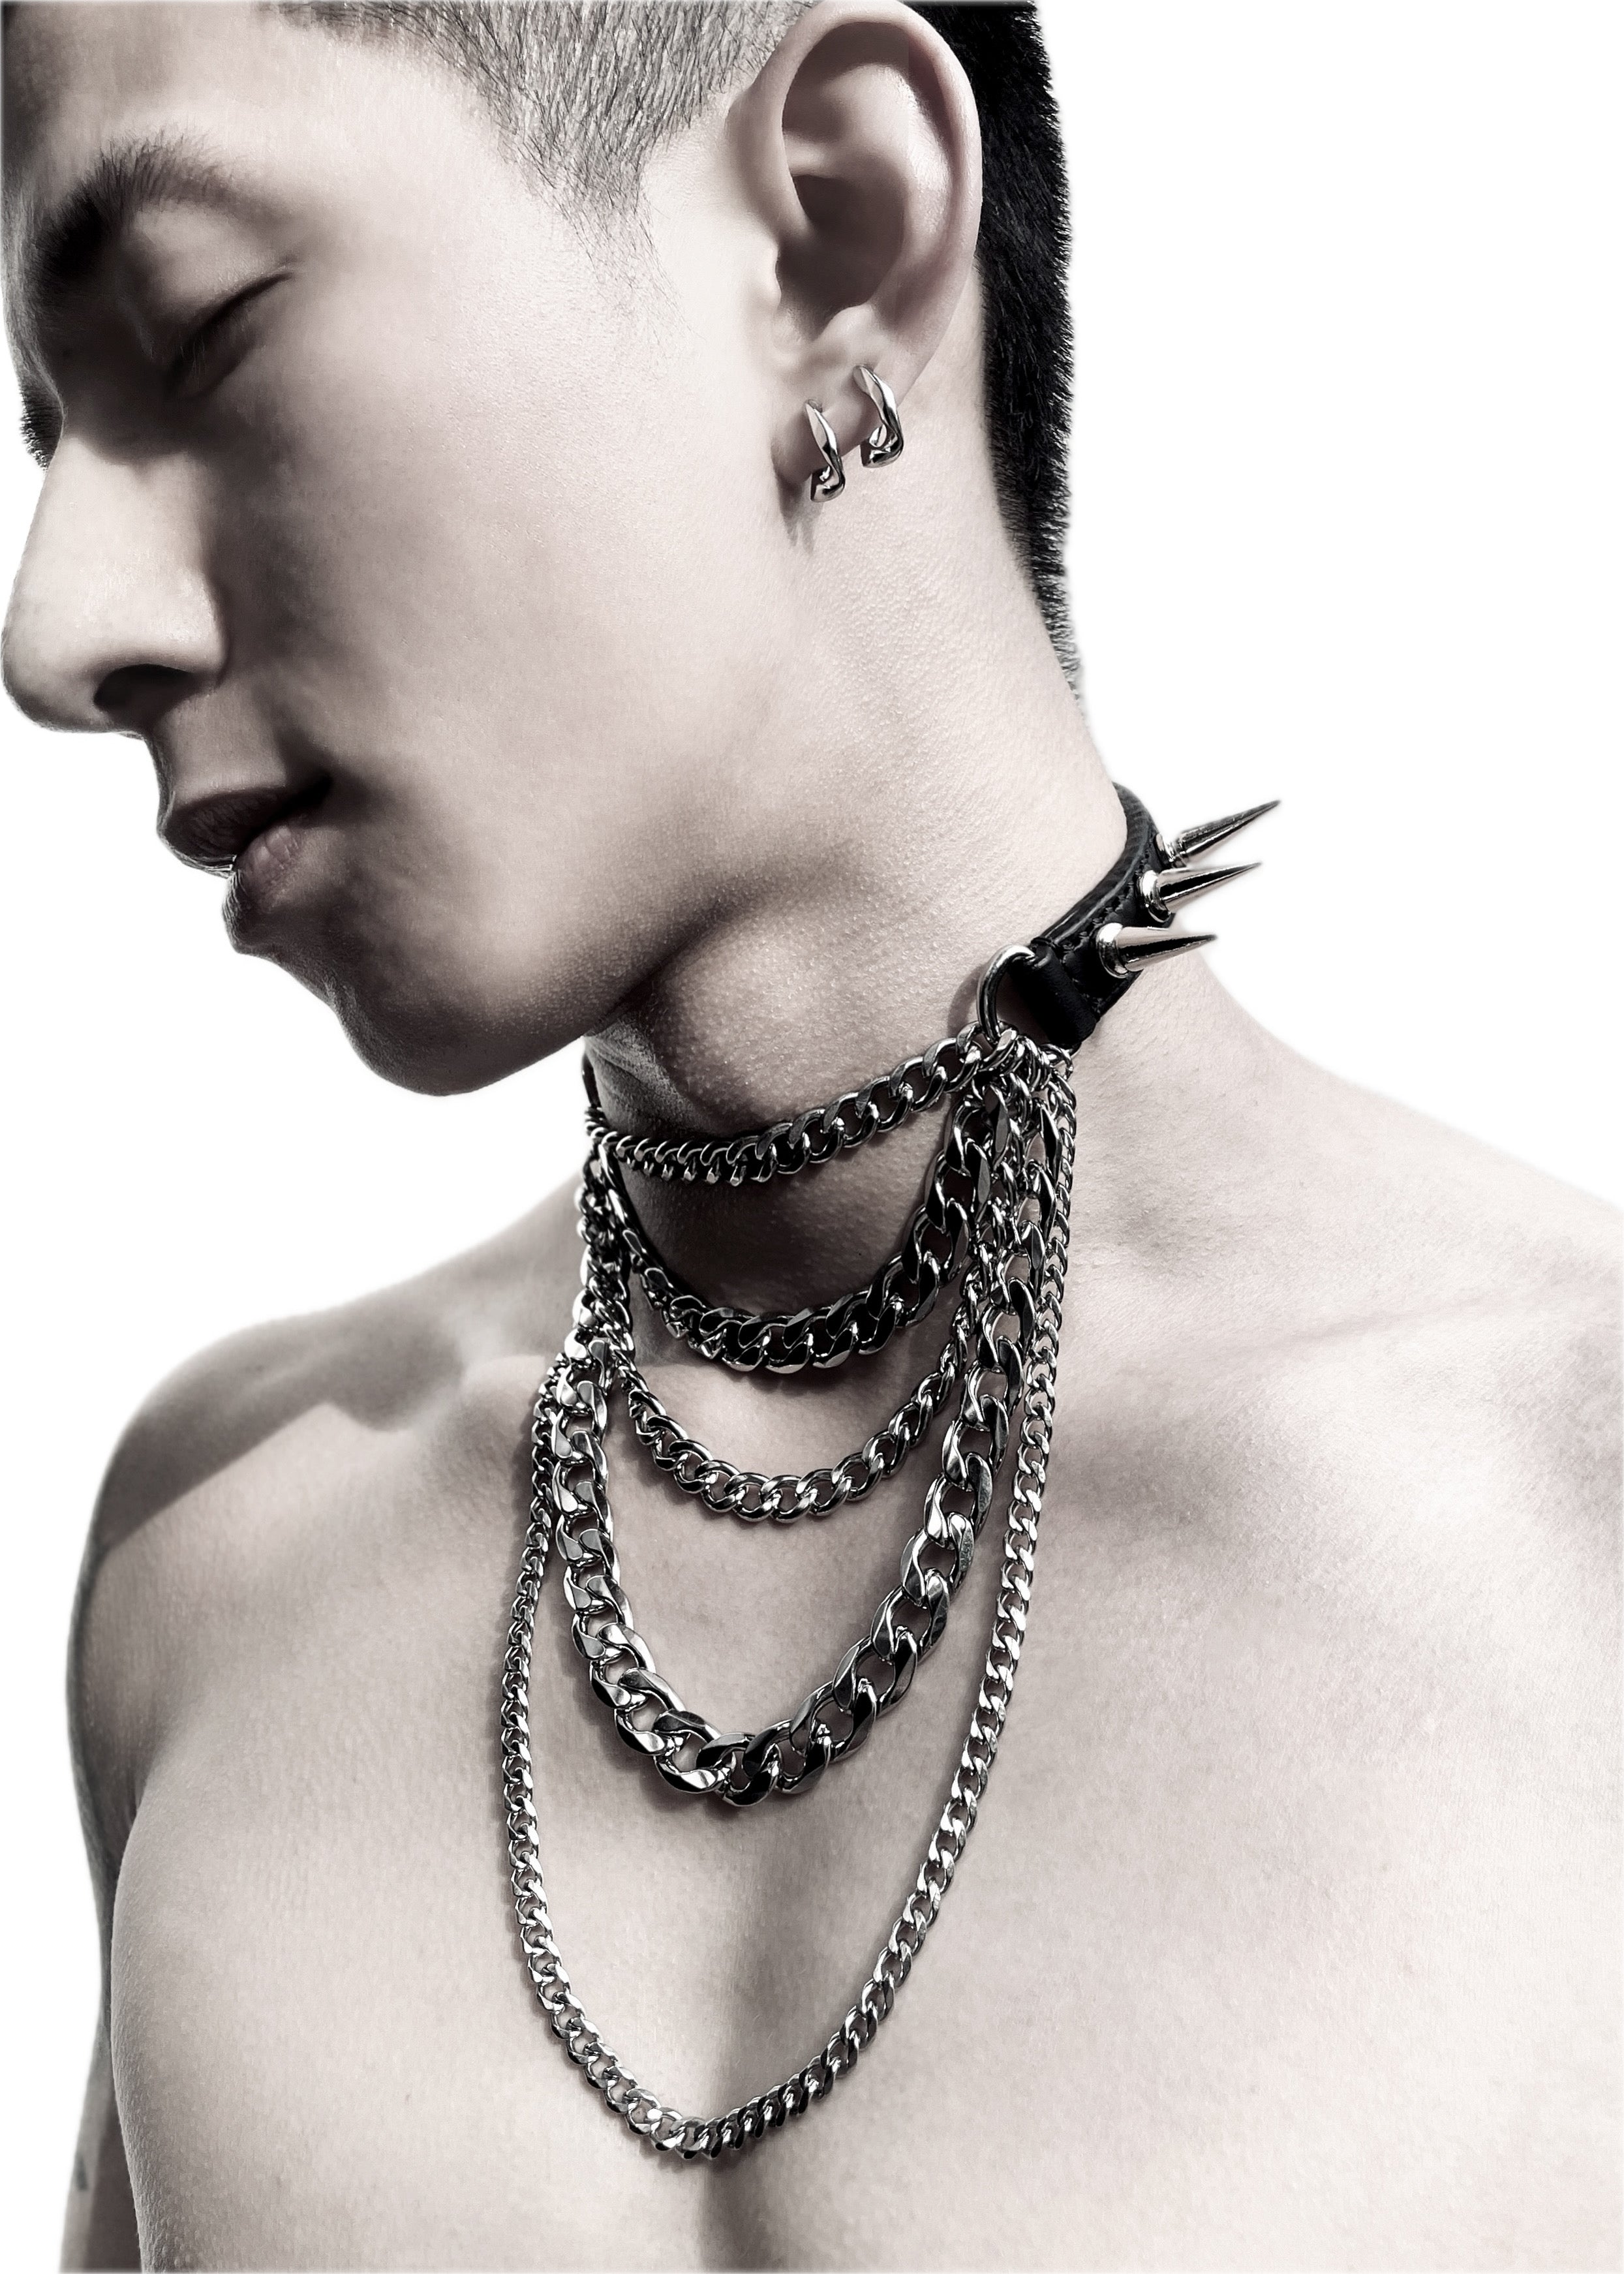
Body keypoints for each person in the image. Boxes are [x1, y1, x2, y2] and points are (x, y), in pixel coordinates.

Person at [4, 1, 1617, 2265]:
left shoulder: (1573, 1528)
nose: (53, 627)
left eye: (200, 328)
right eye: (44, 432)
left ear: (831, 234)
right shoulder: (217, 1558)